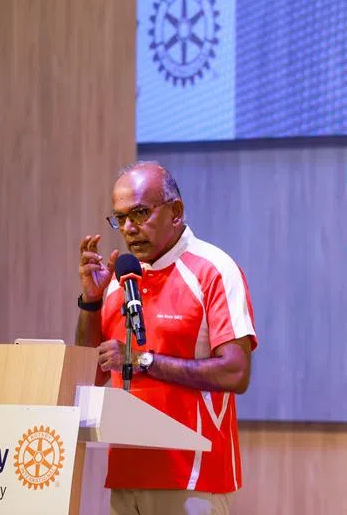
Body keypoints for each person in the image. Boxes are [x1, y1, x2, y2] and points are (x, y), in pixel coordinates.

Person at [75, 160, 257, 514]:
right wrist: (91, 303)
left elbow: (236, 372)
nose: (129, 229)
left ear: (175, 211)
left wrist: (142, 361)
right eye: (120, 218)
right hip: (126, 477)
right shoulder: (119, 280)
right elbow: (89, 375)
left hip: (193, 478)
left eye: (140, 213)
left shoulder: (213, 269)